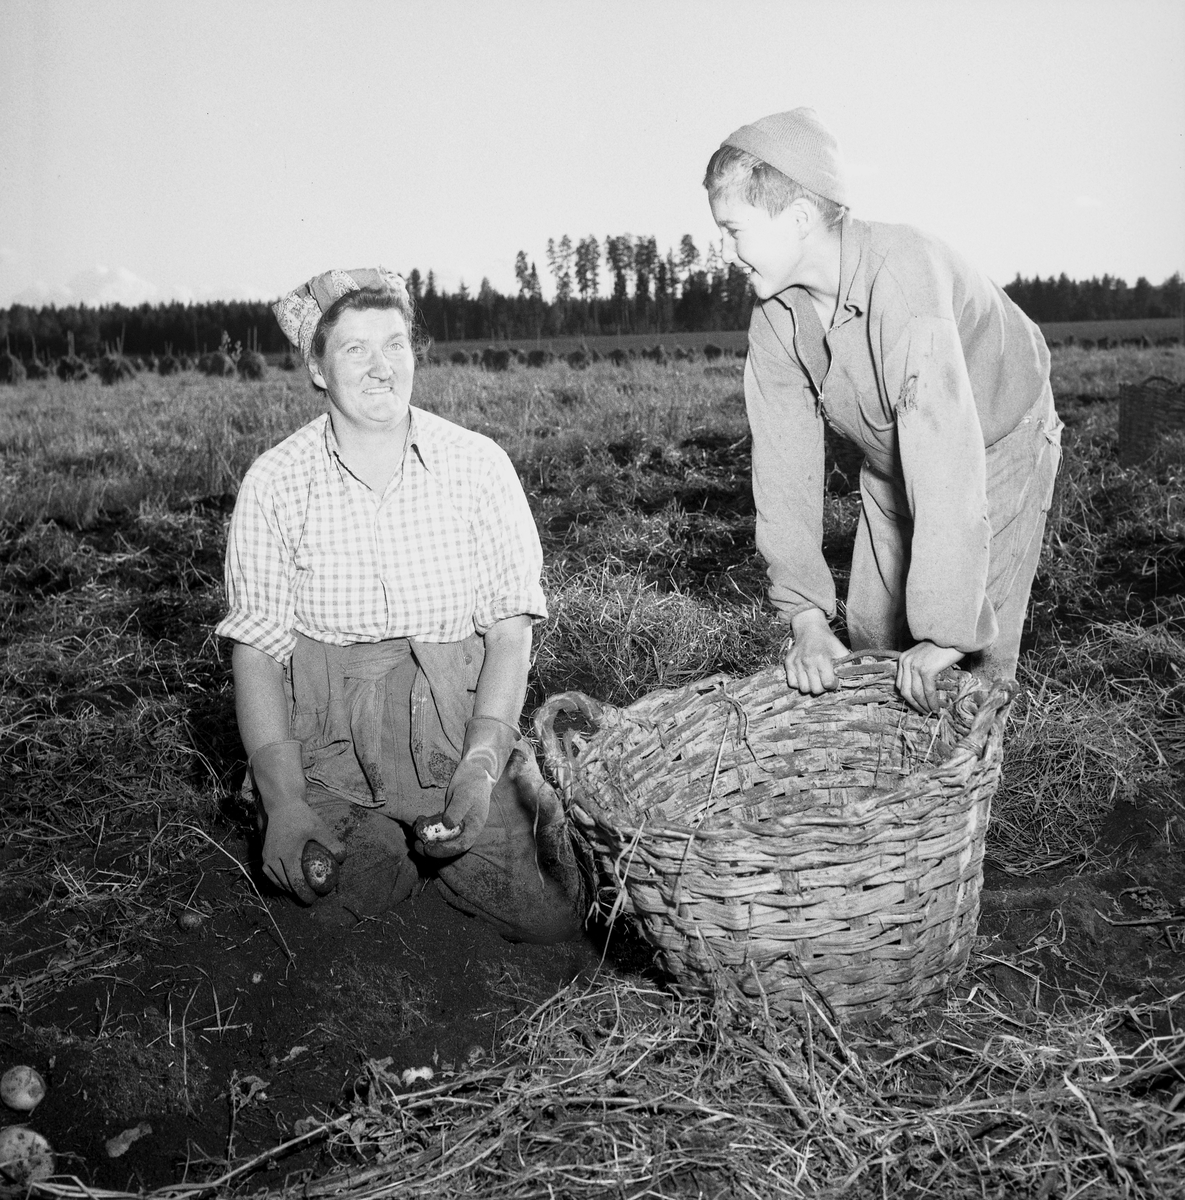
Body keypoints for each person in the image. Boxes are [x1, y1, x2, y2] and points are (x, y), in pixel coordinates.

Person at [215, 266, 584, 942]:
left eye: (395, 344)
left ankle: (445, 834)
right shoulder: (275, 481)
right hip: (329, 740)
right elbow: (258, 650)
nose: (381, 366)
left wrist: (478, 769)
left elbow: (509, 634)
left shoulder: (477, 464)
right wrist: (286, 799)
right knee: (321, 900)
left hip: (455, 725)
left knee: (550, 911)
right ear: (319, 369)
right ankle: (351, 833)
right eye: (355, 348)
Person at [704, 108, 1063, 713]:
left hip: (995, 443)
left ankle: (976, 791)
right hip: (893, 454)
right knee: (872, 632)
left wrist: (946, 634)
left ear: (796, 218)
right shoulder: (775, 319)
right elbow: (783, 472)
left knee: (966, 670)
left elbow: (946, 459)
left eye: (734, 229)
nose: (726, 250)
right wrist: (807, 618)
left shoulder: (903, 278)